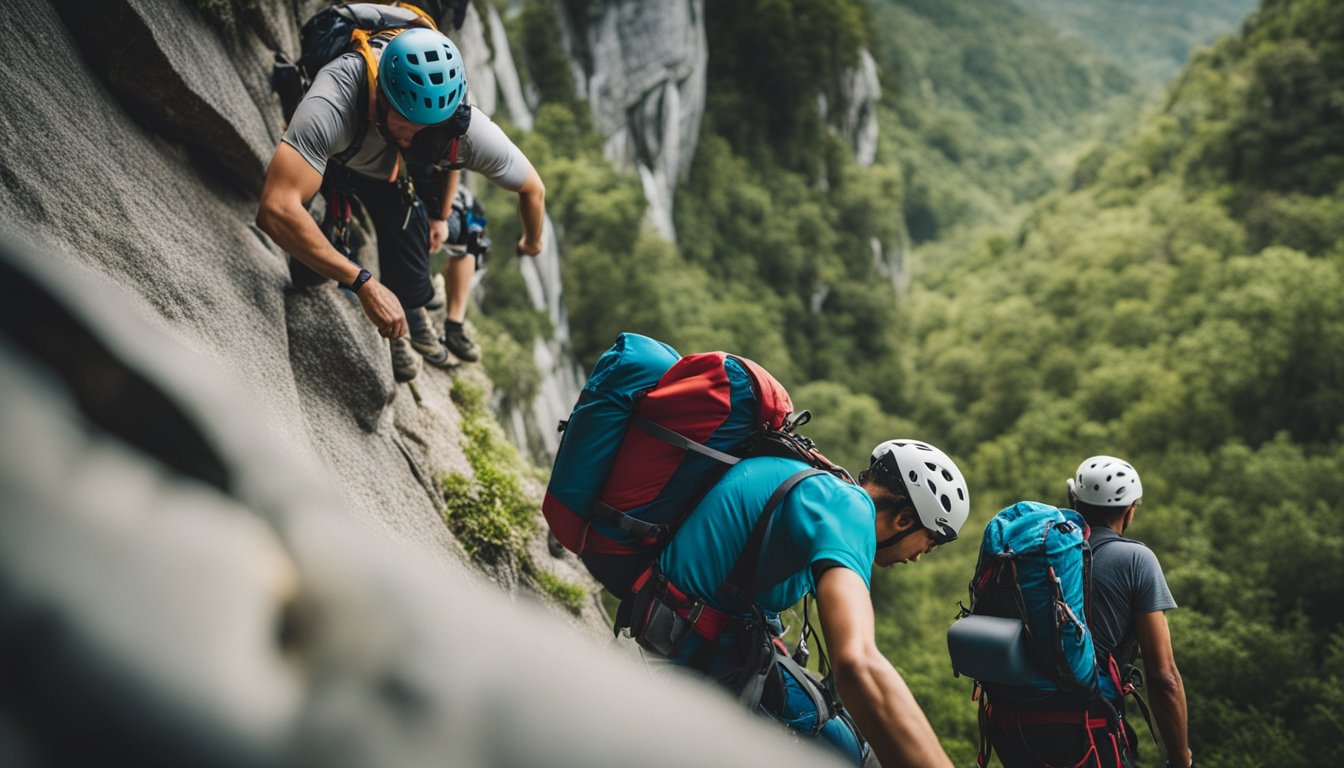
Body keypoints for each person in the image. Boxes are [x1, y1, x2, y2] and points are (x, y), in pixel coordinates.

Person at [645, 439, 969, 767]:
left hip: (676, 631)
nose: (918, 557)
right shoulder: (850, 510)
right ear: (903, 519)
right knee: (854, 754)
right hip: (695, 652)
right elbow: (859, 663)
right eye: (929, 543)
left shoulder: (821, 488)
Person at [256, 26, 544, 382]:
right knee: (308, 273)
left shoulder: (457, 124)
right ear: (383, 95)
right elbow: (275, 209)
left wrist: (531, 241)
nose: (414, 135)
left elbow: (532, 187)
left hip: (392, 172)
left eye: (427, 130)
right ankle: (358, 245)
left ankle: (415, 303)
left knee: (458, 222)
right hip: (343, 156)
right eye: (407, 124)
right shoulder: (336, 98)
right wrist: (363, 282)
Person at [984, 456, 1192, 768]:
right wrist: (1181, 758)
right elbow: (1164, 677)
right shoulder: (1137, 559)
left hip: (1011, 725)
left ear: (1074, 501)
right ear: (1131, 508)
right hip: (1085, 728)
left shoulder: (1040, 554)